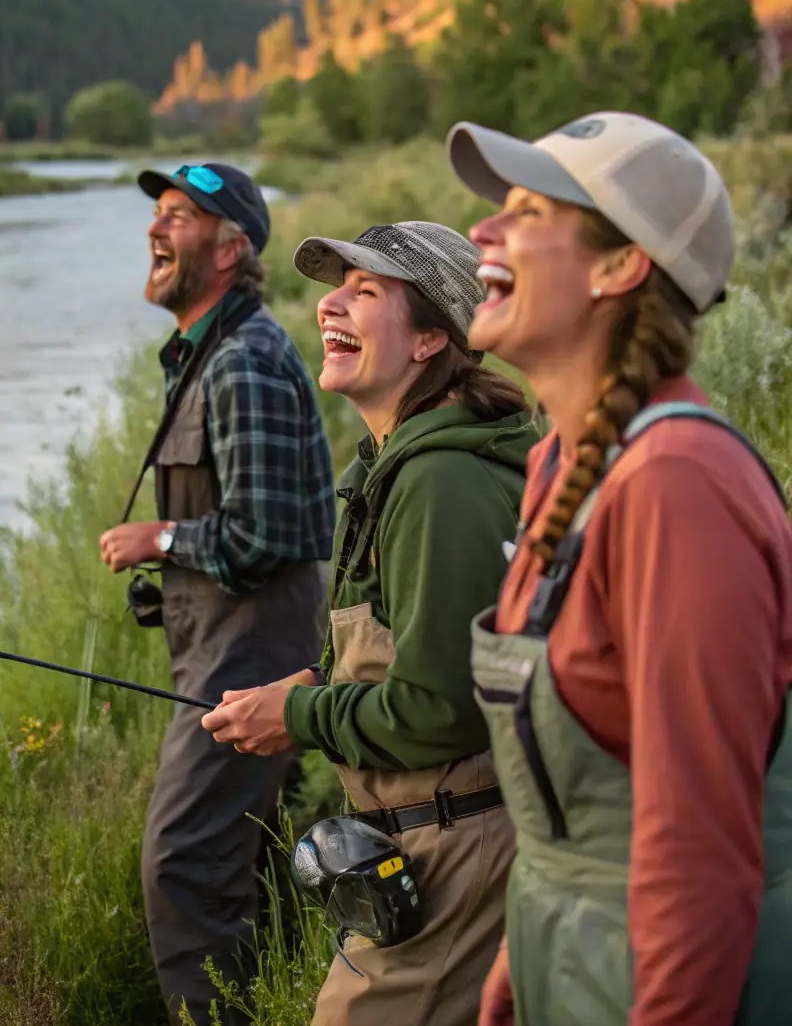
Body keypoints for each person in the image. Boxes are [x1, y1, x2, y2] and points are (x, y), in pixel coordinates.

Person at [444, 111, 792, 1026]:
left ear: (618, 265)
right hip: (579, 957)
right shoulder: (559, 464)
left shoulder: (676, 486)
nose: (481, 230)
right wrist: (528, 939)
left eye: (525, 210)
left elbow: (702, 857)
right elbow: (593, 790)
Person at [201, 220, 538, 1026]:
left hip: (460, 846)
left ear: (429, 338)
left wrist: (297, 714)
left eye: (366, 290)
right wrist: (313, 682)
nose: (330, 305)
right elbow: (412, 652)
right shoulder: (398, 462)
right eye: (334, 286)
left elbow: (438, 709)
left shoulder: (441, 481)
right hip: (434, 839)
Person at [98, 162, 334, 1026]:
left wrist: (157, 539)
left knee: (185, 865)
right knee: (241, 865)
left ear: (232, 247)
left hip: (250, 654)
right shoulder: (210, 351)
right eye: (156, 214)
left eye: (180, 216)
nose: (157, 231)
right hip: (221, 649)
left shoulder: (245, 361)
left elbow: (265, 536)